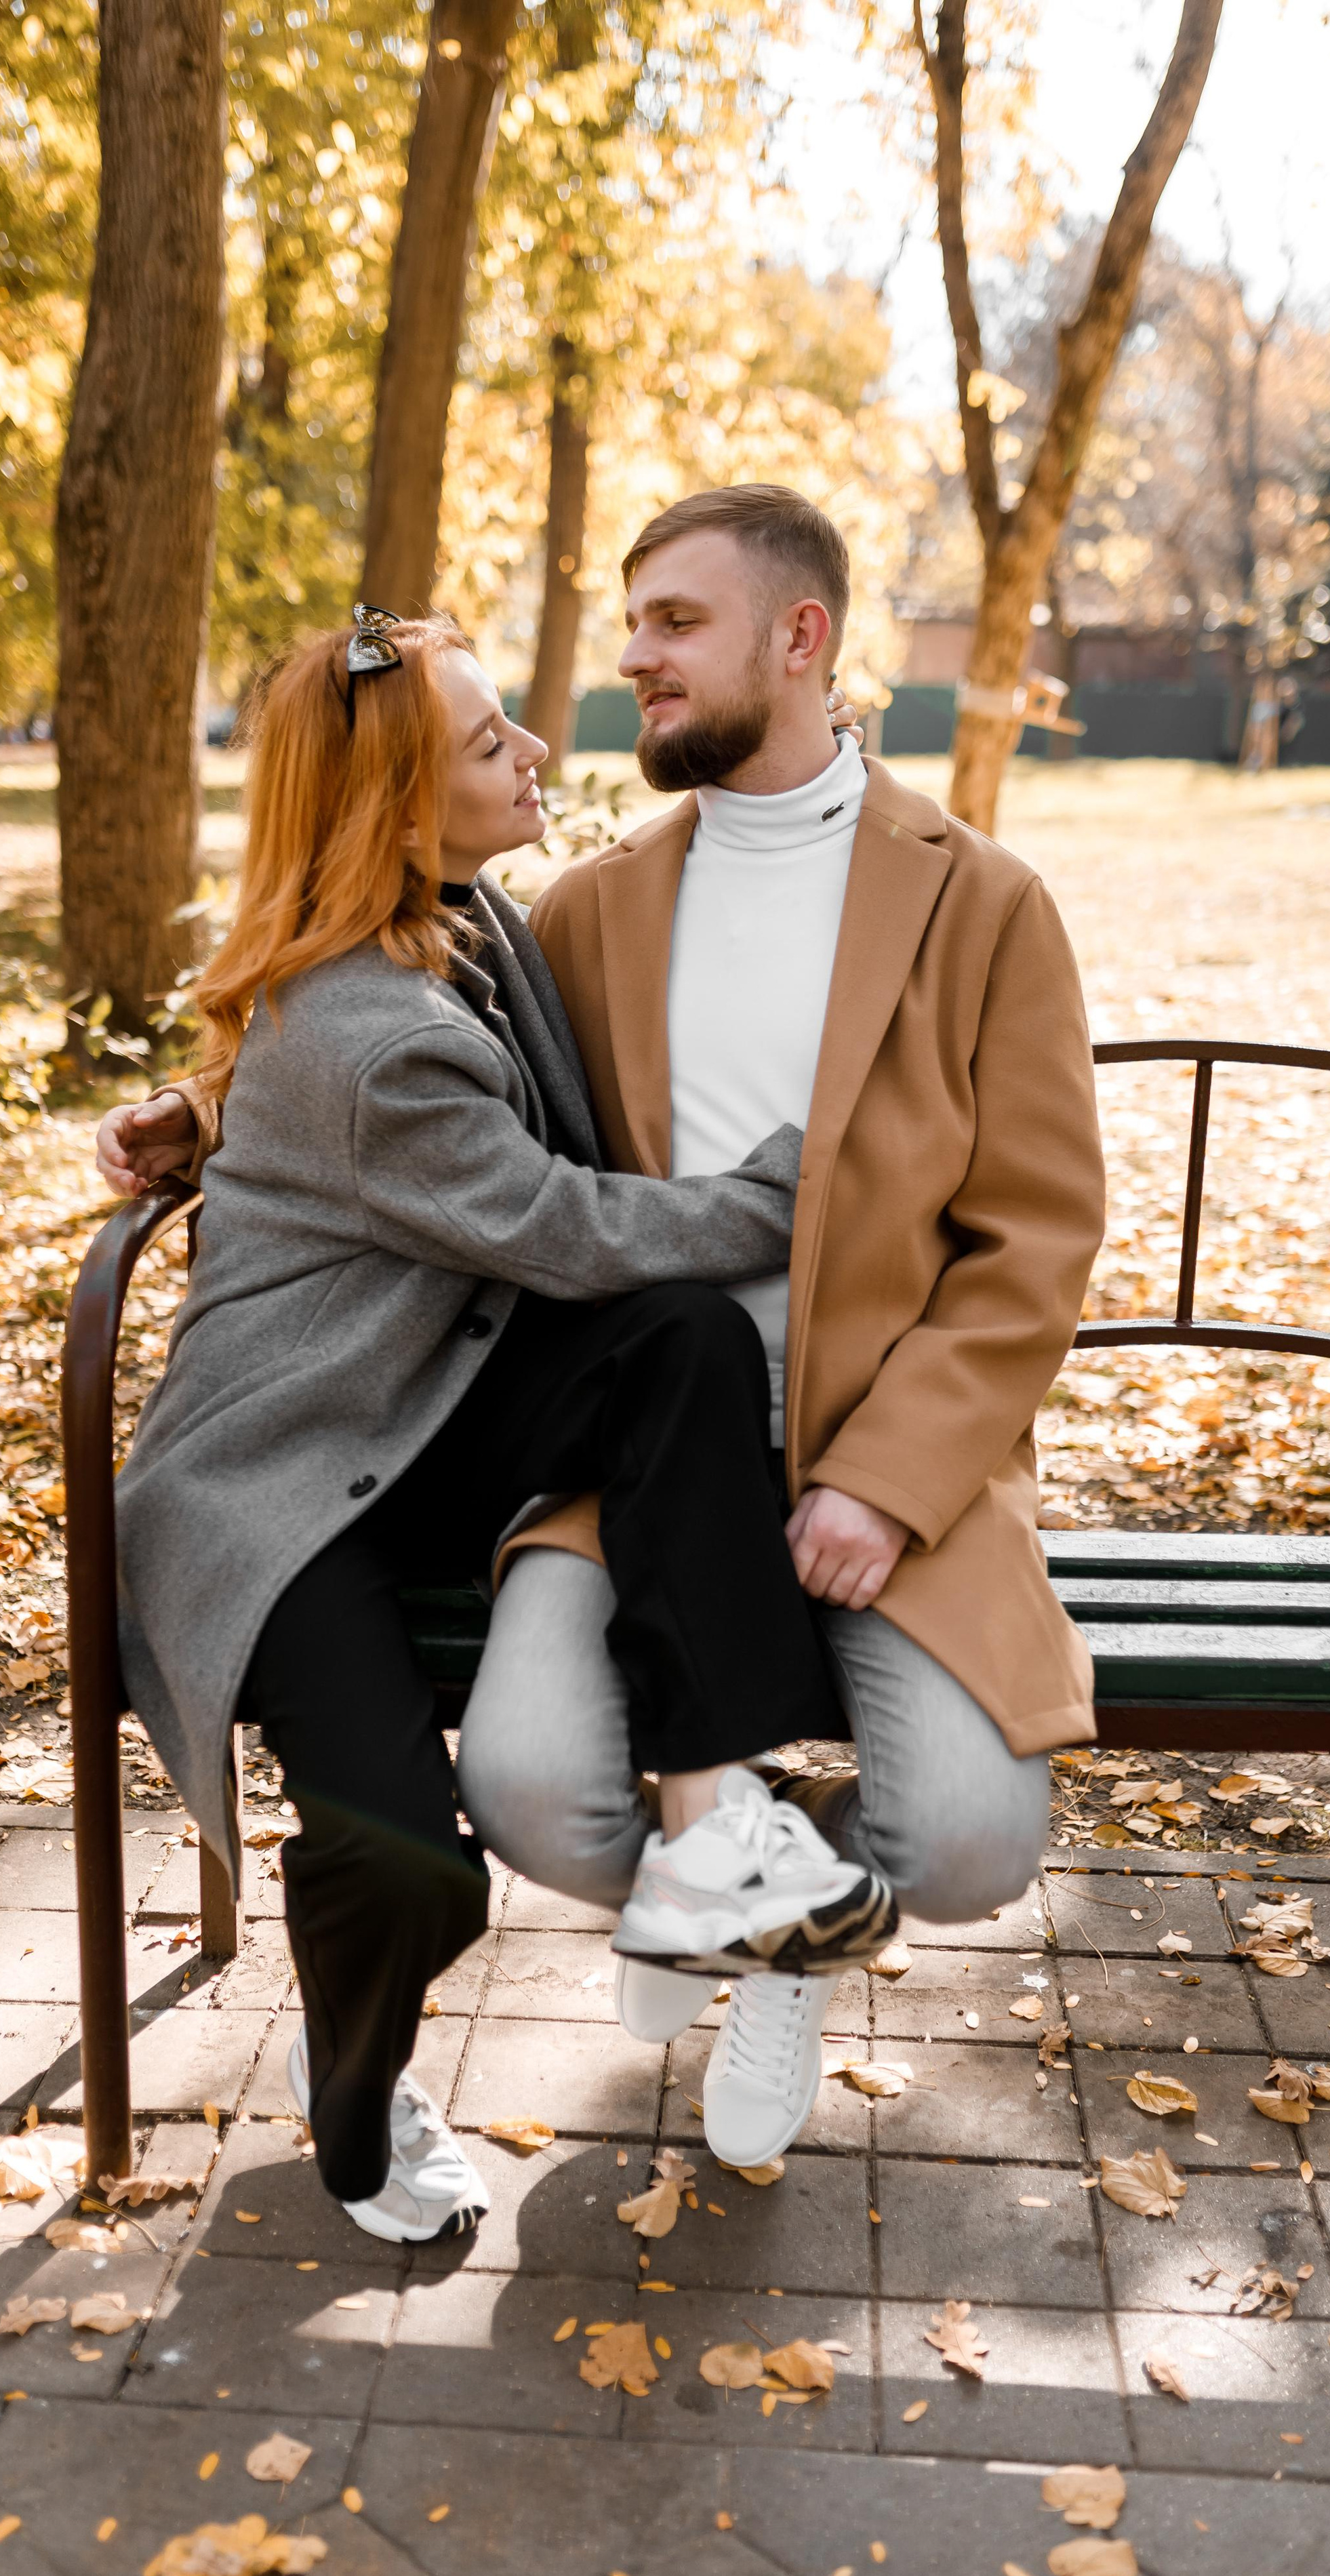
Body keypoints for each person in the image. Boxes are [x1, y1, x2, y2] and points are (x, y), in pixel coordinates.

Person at [109, 611, 898, 2251]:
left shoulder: (458, 920)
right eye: (488, 744)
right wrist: (788, 1186)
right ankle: (357, 2098)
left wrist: (206, 1108)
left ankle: (714, 1818)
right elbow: (564, 1230)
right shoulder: (369, 1032)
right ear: (398, 812)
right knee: (411, 1859)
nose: (536, 751)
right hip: (280, 1486)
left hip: (418, 1406)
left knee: (677, 1347)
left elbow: (312, 1070)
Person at [447, 485, 1106, 2169]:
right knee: (526, 1788)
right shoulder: (590, 907)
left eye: (674, 621)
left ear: (797, 639)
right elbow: (396, 1027)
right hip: (635, 1448)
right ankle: (750, 1877)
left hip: (891, 1459)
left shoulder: (981, 905)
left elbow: (1033, 1236)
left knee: (966, 1842)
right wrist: (202, 1113)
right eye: (634, 620)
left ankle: (779, 1940)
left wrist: (887, 1480)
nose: (633, 655)